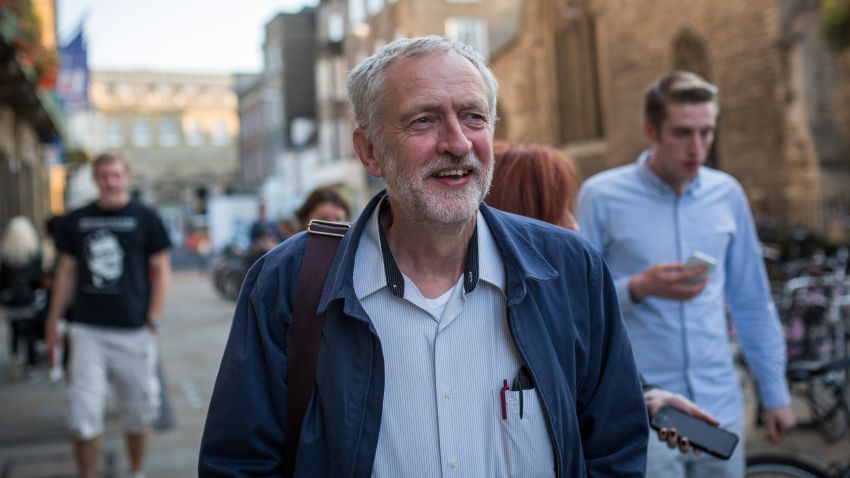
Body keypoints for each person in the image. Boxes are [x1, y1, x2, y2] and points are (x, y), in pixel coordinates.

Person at [200, 36, 648, 476]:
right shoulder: (288, 282)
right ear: (370, 151)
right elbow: (240, 463)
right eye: (423, 121)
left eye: (474, 117)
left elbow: (615, 446)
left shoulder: (570, 270)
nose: (458, 143)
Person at [576, 71, 795, 477]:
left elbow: (752, 301)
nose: (697, 148)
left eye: (706, 132)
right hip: (645, 411)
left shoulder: (727, 193)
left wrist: (775, 392)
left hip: (718, 407)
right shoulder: (602, 196)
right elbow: (577, 305)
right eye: (682, 133)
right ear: (650, 130)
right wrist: (638, 289)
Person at [487, 142, 720, 455]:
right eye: (557, 209)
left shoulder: (567, 302)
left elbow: (594, 381)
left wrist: (646, 396)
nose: (573, 224)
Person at [45, 151, 172, 478]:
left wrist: (154, 318)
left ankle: (136, 471)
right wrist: (53, 320)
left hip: (133, 330)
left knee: (137, 413)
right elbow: (68, 271)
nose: (110, 182)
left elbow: (161, 269)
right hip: (87, 330)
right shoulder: (77, 219)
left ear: (126, 177)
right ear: (95, 179)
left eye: (116, 175)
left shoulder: (145, 217)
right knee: (82, 414)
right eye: (104, 176)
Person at [1, 216, 46, 374]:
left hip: (12, 299)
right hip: (29, 298)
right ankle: (31, 364)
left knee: (14, 331)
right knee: (30, 332)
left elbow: (3, 279)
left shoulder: (6, 255)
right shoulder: (34, 252)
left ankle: (15, 357)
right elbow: (38, 277)